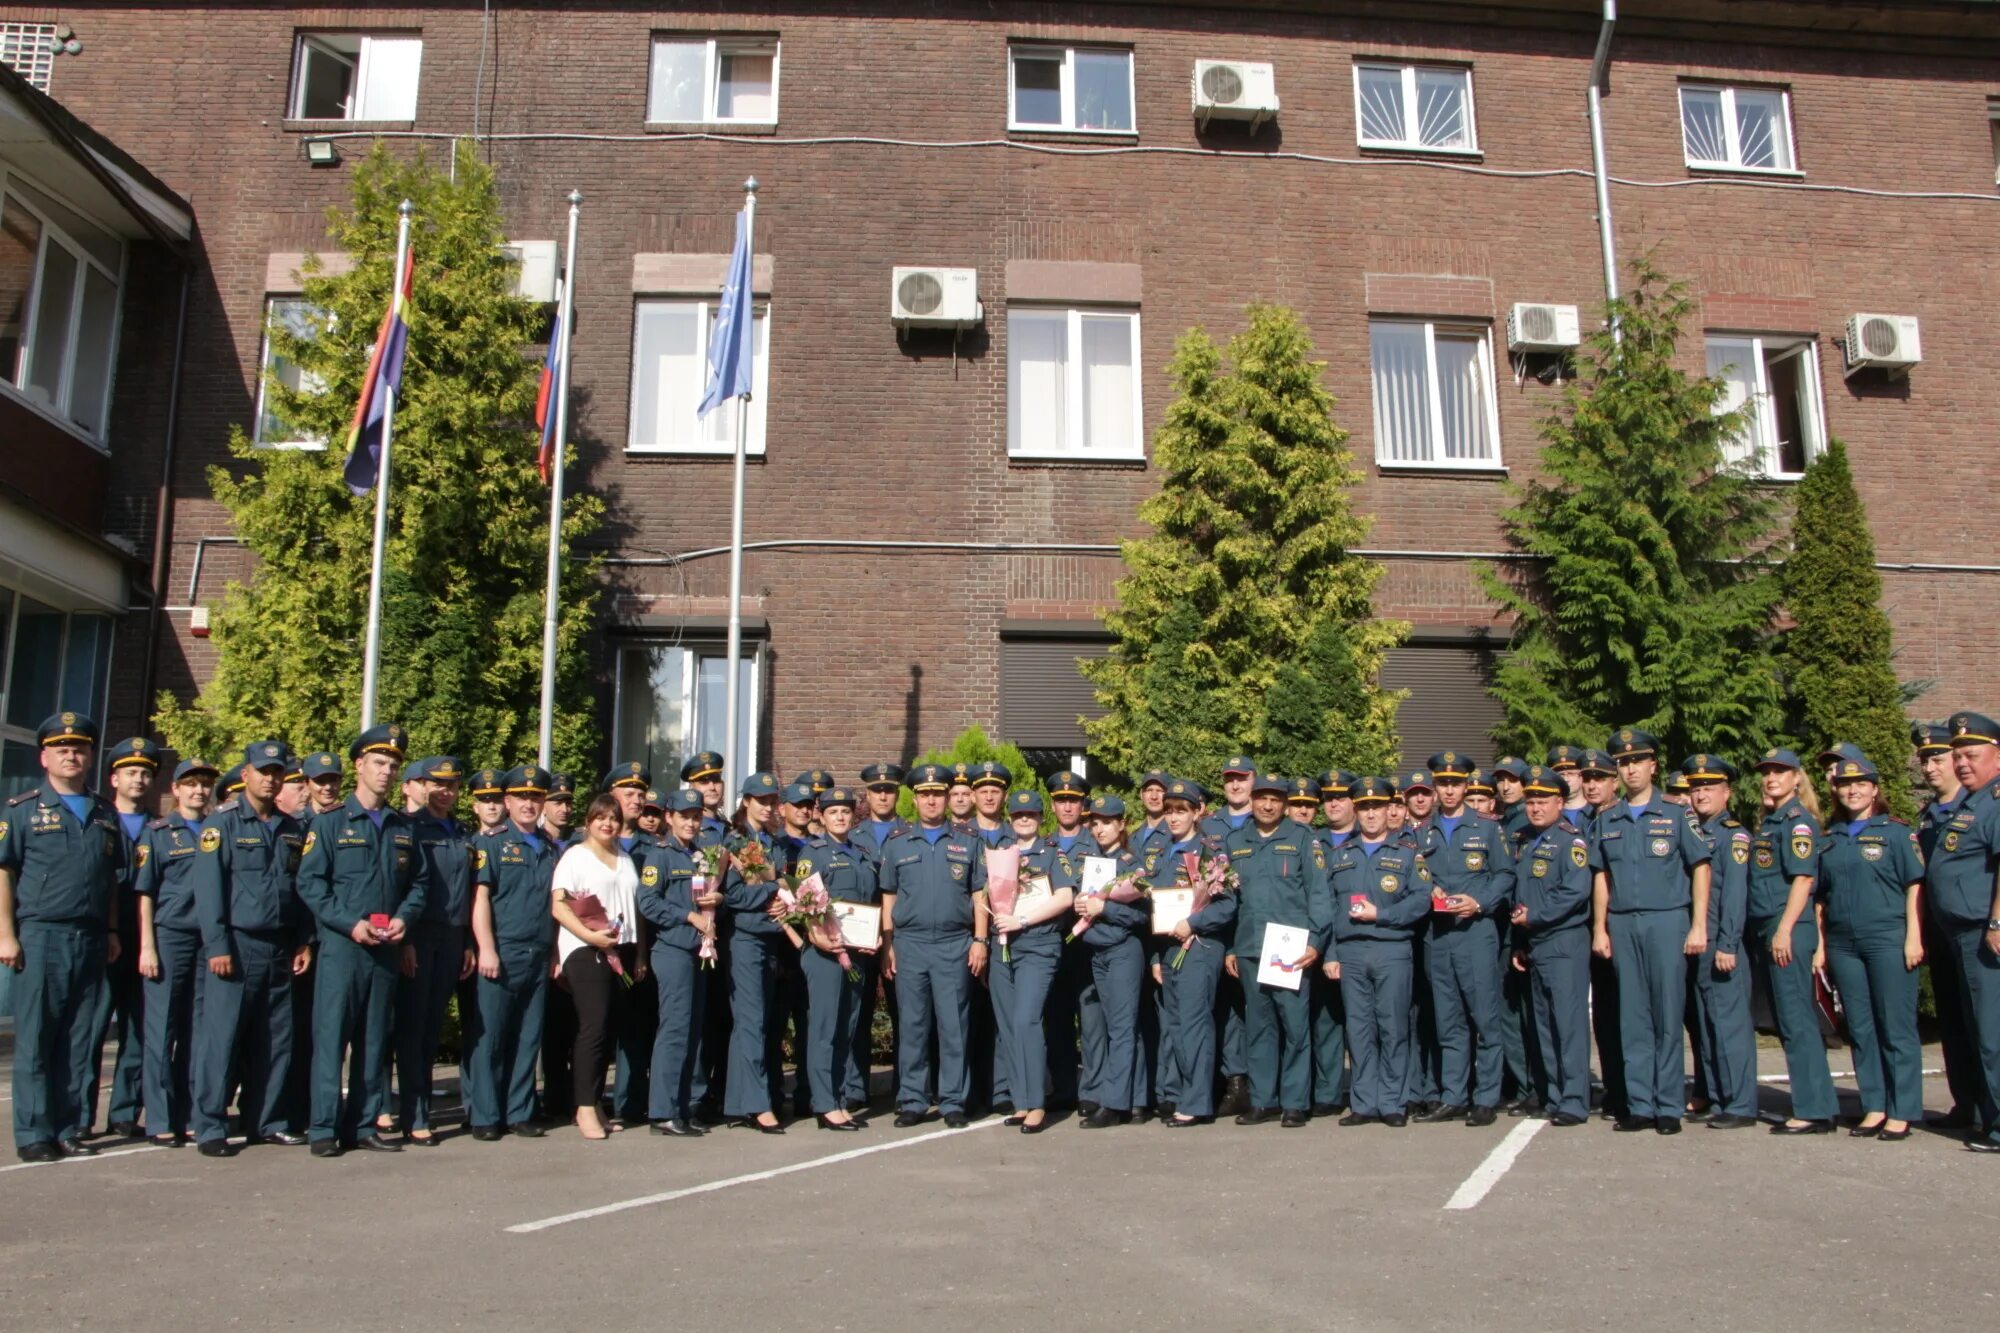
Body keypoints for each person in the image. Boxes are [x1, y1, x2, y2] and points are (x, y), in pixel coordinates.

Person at [296, 724, 428, 1157]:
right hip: (343, 948)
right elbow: (311, 884)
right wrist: (349, 923)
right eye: (378, 763)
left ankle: (364, 1124)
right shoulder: (331, 823)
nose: (387, 772)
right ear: (359, 765)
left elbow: (419, 883)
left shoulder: (401, 827)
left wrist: (405, 919)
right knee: (332, 1039)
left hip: (385, 950)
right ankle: (322, 1128)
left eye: (393, 765)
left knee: (374, 1040)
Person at [1, 714, 129, 1161]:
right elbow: (4, 871)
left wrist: (112, 928)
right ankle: (35, 1133)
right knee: (38, 1038)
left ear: (91, 756)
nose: (71, 755)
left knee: (81, 1038)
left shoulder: (104, 812)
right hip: (41, 934)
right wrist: (6, 935)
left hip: (92, 937)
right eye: (62, 749)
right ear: (44, 757)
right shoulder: (23, 809)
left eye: (79, 749)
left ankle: (71, 1126)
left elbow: (110, 878)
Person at [189, 741, 311, 1156]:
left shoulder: (291, 827)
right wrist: (217, 945)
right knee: (221, 1040)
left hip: (279, 946)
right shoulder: (221, 825)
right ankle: (210, 1126)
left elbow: (298, 891)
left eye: (278, 772)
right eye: (264, 771)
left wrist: (301, 941)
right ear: (246, 775)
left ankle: (267, 1121)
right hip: (236, 947)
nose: (271, 779)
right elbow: (208, 891)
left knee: (275, 1040)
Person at [1589, 728, 1710, 1135]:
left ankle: (1669, 1106)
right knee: (1633, 1017)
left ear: (1653, 765)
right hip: (1624, 923)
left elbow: (1700, 868)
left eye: (1637, 761)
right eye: (1623, 763)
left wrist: (1697, 923)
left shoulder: (1676, 815)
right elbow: (1601, 876)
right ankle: (1640, 1104)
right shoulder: (1608, 819)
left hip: (1667, 920)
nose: (1631, 768)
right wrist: (1600, 929)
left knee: (1667, 1014)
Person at [1819, 756, 1926, 1141]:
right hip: (1844, 941)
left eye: (1861, 783)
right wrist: (1820, 945)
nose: (1853, 790)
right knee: (1861, 1027)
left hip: (1887, 937)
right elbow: (1821, 897)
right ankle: (1875, 1105)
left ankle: (1903, 1109)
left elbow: (1915, 885)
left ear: (1875, 788)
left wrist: (1914, 936)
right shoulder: (1830, 837)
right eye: (1846, 785)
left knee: (1895, 1025)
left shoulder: (1896, 833)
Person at [879, 763, 988, 1128]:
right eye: (924, 794)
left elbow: (979, 894)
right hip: (910, 944)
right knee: (912, 1024)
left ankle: (953, 1100)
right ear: (915, 798)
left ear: (947, 797)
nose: (931, 800)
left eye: (937, 794)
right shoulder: (897, 844)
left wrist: (980, 939)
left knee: (954, 1025)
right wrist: (888, 945)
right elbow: (889, 898)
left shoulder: (968, 841)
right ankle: (912, 1098)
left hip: (955, 944)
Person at [1225, 773, 1333, 1128]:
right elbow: (1227, 901)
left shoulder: (1302, 838)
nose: (1267, 805)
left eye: (1275, 799)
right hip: (1249, 947)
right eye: (1261, 798)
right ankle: (1263, 1100)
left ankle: (1295, 1102)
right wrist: (1230, 947)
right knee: (1258, 1027)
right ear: (1251, 800)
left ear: (1284, 804)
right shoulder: (1234, 840)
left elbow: (1319, 894)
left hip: (1290, 947)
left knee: (1295, 1026)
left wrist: (1316, 942)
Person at [1417, 750, 1516, 1127]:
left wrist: (1481, 901)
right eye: (1442, 783)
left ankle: (1486, 1097)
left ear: (1466, 785)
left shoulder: (1488, 827)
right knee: (1449, 1020)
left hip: (1475, 932)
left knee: (1485, 1019)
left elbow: (1505, 875)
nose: (1449, 790)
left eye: (1455, 783)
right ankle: (1453, 1096)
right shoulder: (1421, 831)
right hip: (1438, 936)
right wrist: (1425, 892)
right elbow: (1416, 876)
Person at [1329, 776, 1432, 1127]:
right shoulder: (1340, 854)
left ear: (1390, 809)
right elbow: (1328, 906)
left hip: (1392, 948)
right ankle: (1363, 1102)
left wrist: (1384, 915)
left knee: (1392, 1027)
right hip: (1351, 951)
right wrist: (1330, 953)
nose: (1370, 814)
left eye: (1376, 807)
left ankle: (1392, 1102)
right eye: (1364, 808)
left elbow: (1421, 900)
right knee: (1358, 1029)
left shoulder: (1407, 853)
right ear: (1355, 811)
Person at [466, 765, 559, 1141]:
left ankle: (520, 1110)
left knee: (527, 1035)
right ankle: (486, 1114)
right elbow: (480, 897)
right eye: (522, 797)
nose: (529, 803)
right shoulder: (490, 843)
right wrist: (486, 947)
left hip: (538, 952)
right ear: (507, 801)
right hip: (502, 951)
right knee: (490, 1036)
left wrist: (554, 953)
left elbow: (557, 904)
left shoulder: (551, 847)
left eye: (536, 797)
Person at [1747, 747, 1837, 1134]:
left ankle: (1813, 1109)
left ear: (1797, 778)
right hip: (1772, 926)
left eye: (1780, 772)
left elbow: (1803, 879)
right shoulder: (1772, 821)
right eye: (1767, 772)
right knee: (1789, 1019)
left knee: (1797, 1019)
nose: (1771, 778)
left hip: (1787, 927)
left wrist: (1785, 928)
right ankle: (1817, 1104)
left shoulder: (1798, 822)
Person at [1922, 712, 2000, 1153]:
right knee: (1974, 1030)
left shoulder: (1995, 801)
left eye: (1971, 755)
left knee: (1992, 1033)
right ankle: (1984, 1115)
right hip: (1959, 933)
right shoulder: (1972, 803)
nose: (1962, 763)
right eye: (1959, 756)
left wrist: (1996, 921)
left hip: (1982, 933)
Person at [132, 757, 217, 1147]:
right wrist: (147, 945)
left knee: (200, 1031)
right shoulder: (159, 832)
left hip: (208, 941)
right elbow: (145, 893)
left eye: (204, 785)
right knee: (161, 1030)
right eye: (191, 784)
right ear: (176, 790)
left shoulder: (219, 828)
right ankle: (161, 1118)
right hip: (170, 938)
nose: (199, 791)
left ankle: (193, 1114)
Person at [552, 794, 644, 1141]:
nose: (608, 824)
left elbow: (635, 908)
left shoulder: (625, 857)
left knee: (607, 1028)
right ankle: (584, 1107)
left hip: (620, 949)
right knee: (593, 1026)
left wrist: (640, 953)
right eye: (600, 817)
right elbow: (560, 907)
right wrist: (591, 936)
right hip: (585, 949)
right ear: (588, 822)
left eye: (614, 819)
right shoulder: (575, 856)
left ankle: (596, 1102)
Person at [1506, 765, 1593, 1126]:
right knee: (1543, 1024)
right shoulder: (1526, 840)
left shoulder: (1570, 841)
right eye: (1531, 801)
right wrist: (1520, 940)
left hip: (1563, 940)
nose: (1535, 807)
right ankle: (1554, 1094)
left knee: (1568, 1023)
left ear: (1560, 801)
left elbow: (1575, 891)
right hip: (1535, 943)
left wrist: (1535, 916)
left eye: (1543, 801)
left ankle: (1574, 1099)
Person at [395, 756, 475, 1147]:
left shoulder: (462, 832)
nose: (446, 792)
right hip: (419, 935)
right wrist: (406, 939)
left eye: (453, 785)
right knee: (414, 1028)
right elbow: (401, 886)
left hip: (452, 936)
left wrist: (468, 943)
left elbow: (472, 891)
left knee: (431, 1027)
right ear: (424, 786)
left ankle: (418, 1110)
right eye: (439, 785)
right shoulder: (408, 827)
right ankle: (414, 1114)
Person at [789, 786, 878, 1131]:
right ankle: (824, 1104)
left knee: (847, 1029)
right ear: (820, 816)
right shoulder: (815, 853)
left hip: (857, 954)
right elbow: (804, 902)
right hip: (825, 955)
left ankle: (839, 1099)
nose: (840, 817)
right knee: (825, 1030)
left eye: (845, 812)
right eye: (833, 812)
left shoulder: (862, 852)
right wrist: (816, 935)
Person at [987, 789, 1075, 1133]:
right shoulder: (999, 854)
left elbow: (1065, 897)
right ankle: (1021, 1100)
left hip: (1037, 945)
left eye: (1031, 814)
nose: (1024, 819)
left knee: (1027, 1020)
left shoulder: (1052, 852)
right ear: (1010, 819)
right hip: (1003, 946)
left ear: (1041, 818)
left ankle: (1038, 1102)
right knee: (1009, 1025)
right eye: (1018, 814)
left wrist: (1023, 921)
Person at [634, 787, 719, 1137]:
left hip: (697, 951)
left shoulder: (700, 855)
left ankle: (682, 1108)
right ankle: (663, 1112)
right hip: (672, 950)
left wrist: (714, 901)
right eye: (684, 815)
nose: (691, 821)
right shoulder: (661, 855)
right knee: (674, 1031)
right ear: (669, 818)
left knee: (692, 1031)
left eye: (696, 816)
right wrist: (688, 917)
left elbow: (704, 900)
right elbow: (648, 903)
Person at [1149, 780, 1234, 1127]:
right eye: (1169, 810)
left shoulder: (1210, 851)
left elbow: (1228, 904)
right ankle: (1181, 1093)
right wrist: (1156, 956)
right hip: (1169, 949)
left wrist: (1195, 921)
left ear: (1198, 812)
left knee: (1195, 1024)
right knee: (1176, 1025)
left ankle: (1197, 1102)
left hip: (1201, 946)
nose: (1173, 817)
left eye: (1181, 810)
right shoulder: (1161, 851)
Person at [1680, 755, 1757, 1130]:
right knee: (1707, 1027)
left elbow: (1735, 896)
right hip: (1698, 942)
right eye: (1696, 787)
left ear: (1727, 792)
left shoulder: (1733, 835)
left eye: (1709, 787)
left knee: (1729, 1027)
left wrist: (1728, 943)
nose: (1701, 794)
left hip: (1721, 944)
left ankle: (1740, 1104)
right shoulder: (1696, 831)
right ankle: (1717, 1096)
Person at [90, 735, 159, 1140]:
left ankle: (125, 1113)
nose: (139, 779)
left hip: (146, 939)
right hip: (107, 937)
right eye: (131, 772)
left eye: (145, 773)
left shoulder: (158, 826)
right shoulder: (99, 821)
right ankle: (81, 1115)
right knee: (94, 1028)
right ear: (113, 778)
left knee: (138, 1029)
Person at [1912, 722, 1979, 1130]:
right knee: (1953, 1019)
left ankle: (1990, 1107)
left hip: (1972, 927)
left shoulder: (1975, 807)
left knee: (1982, 1019)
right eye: (1925, 760)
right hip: (1939, 929)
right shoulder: (1929, 815)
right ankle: (1965, 1103)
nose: (1930, 768)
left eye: (1936, 759)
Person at [1073, 794, 1148, 1128]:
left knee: (1121, 1029)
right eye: (1094, 823)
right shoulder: (1093, 862)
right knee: (1117, 1028)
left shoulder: (1133, 864)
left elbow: (1143, 916)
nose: (1098, 828)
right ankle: (1136, 1099)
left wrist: (1106, 908)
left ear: (1122, 825)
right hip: (1097, 951)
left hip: (1122, 951)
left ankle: (1116, 1104)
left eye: (1105, 822)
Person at [720, 772, 788, 1132]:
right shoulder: (735, 842)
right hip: (744, 940)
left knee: (753, 1024)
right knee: (751, 1022)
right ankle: (759, 1106)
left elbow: (785, 886)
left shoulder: (773, 844)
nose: (768, 806)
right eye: (760, 800)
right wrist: (773, 890)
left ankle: (738, 1103)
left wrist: (786, 901)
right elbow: (732, 896)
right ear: (746, 801)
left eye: (772, 800)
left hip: (769, 939)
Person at [1202, 755, 1257, 1119]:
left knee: (1259, 1010)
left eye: (1242, 779)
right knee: (1223, 1010)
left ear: (1253, 780)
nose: (1235, 785)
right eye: (1229, 780)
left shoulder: (1267, 821)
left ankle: (1265, 1083)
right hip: (1217, 932)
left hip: (1255, 929)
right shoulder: (1209, 825)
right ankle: (1234, 1082)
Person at [1309, 770, 1357, 1117]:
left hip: (1359, 943)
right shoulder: (1313, 840)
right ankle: (1329, 1092)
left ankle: (1368, 1089)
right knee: (1325, 1021)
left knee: (1363, 1023)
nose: (1334, 803)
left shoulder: (1370, 837)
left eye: (1341, 797)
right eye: (1328, 798)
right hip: (1321, 944)